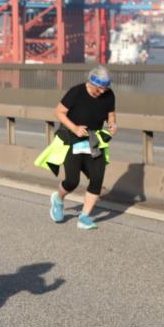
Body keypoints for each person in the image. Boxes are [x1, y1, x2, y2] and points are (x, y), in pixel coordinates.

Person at [34, 65, 117, 230]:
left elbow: (111, 115)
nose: (102, 92)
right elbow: (58, 112)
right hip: (72, 138)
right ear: (91, 82)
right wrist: (75, 128)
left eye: (105, 89)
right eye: (99, 89)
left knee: (97, 178)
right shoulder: (76, 92)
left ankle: (84, 217)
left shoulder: (109, 94)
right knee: (72, 181)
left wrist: (113, 125)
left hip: (94, 139)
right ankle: (58, 199)